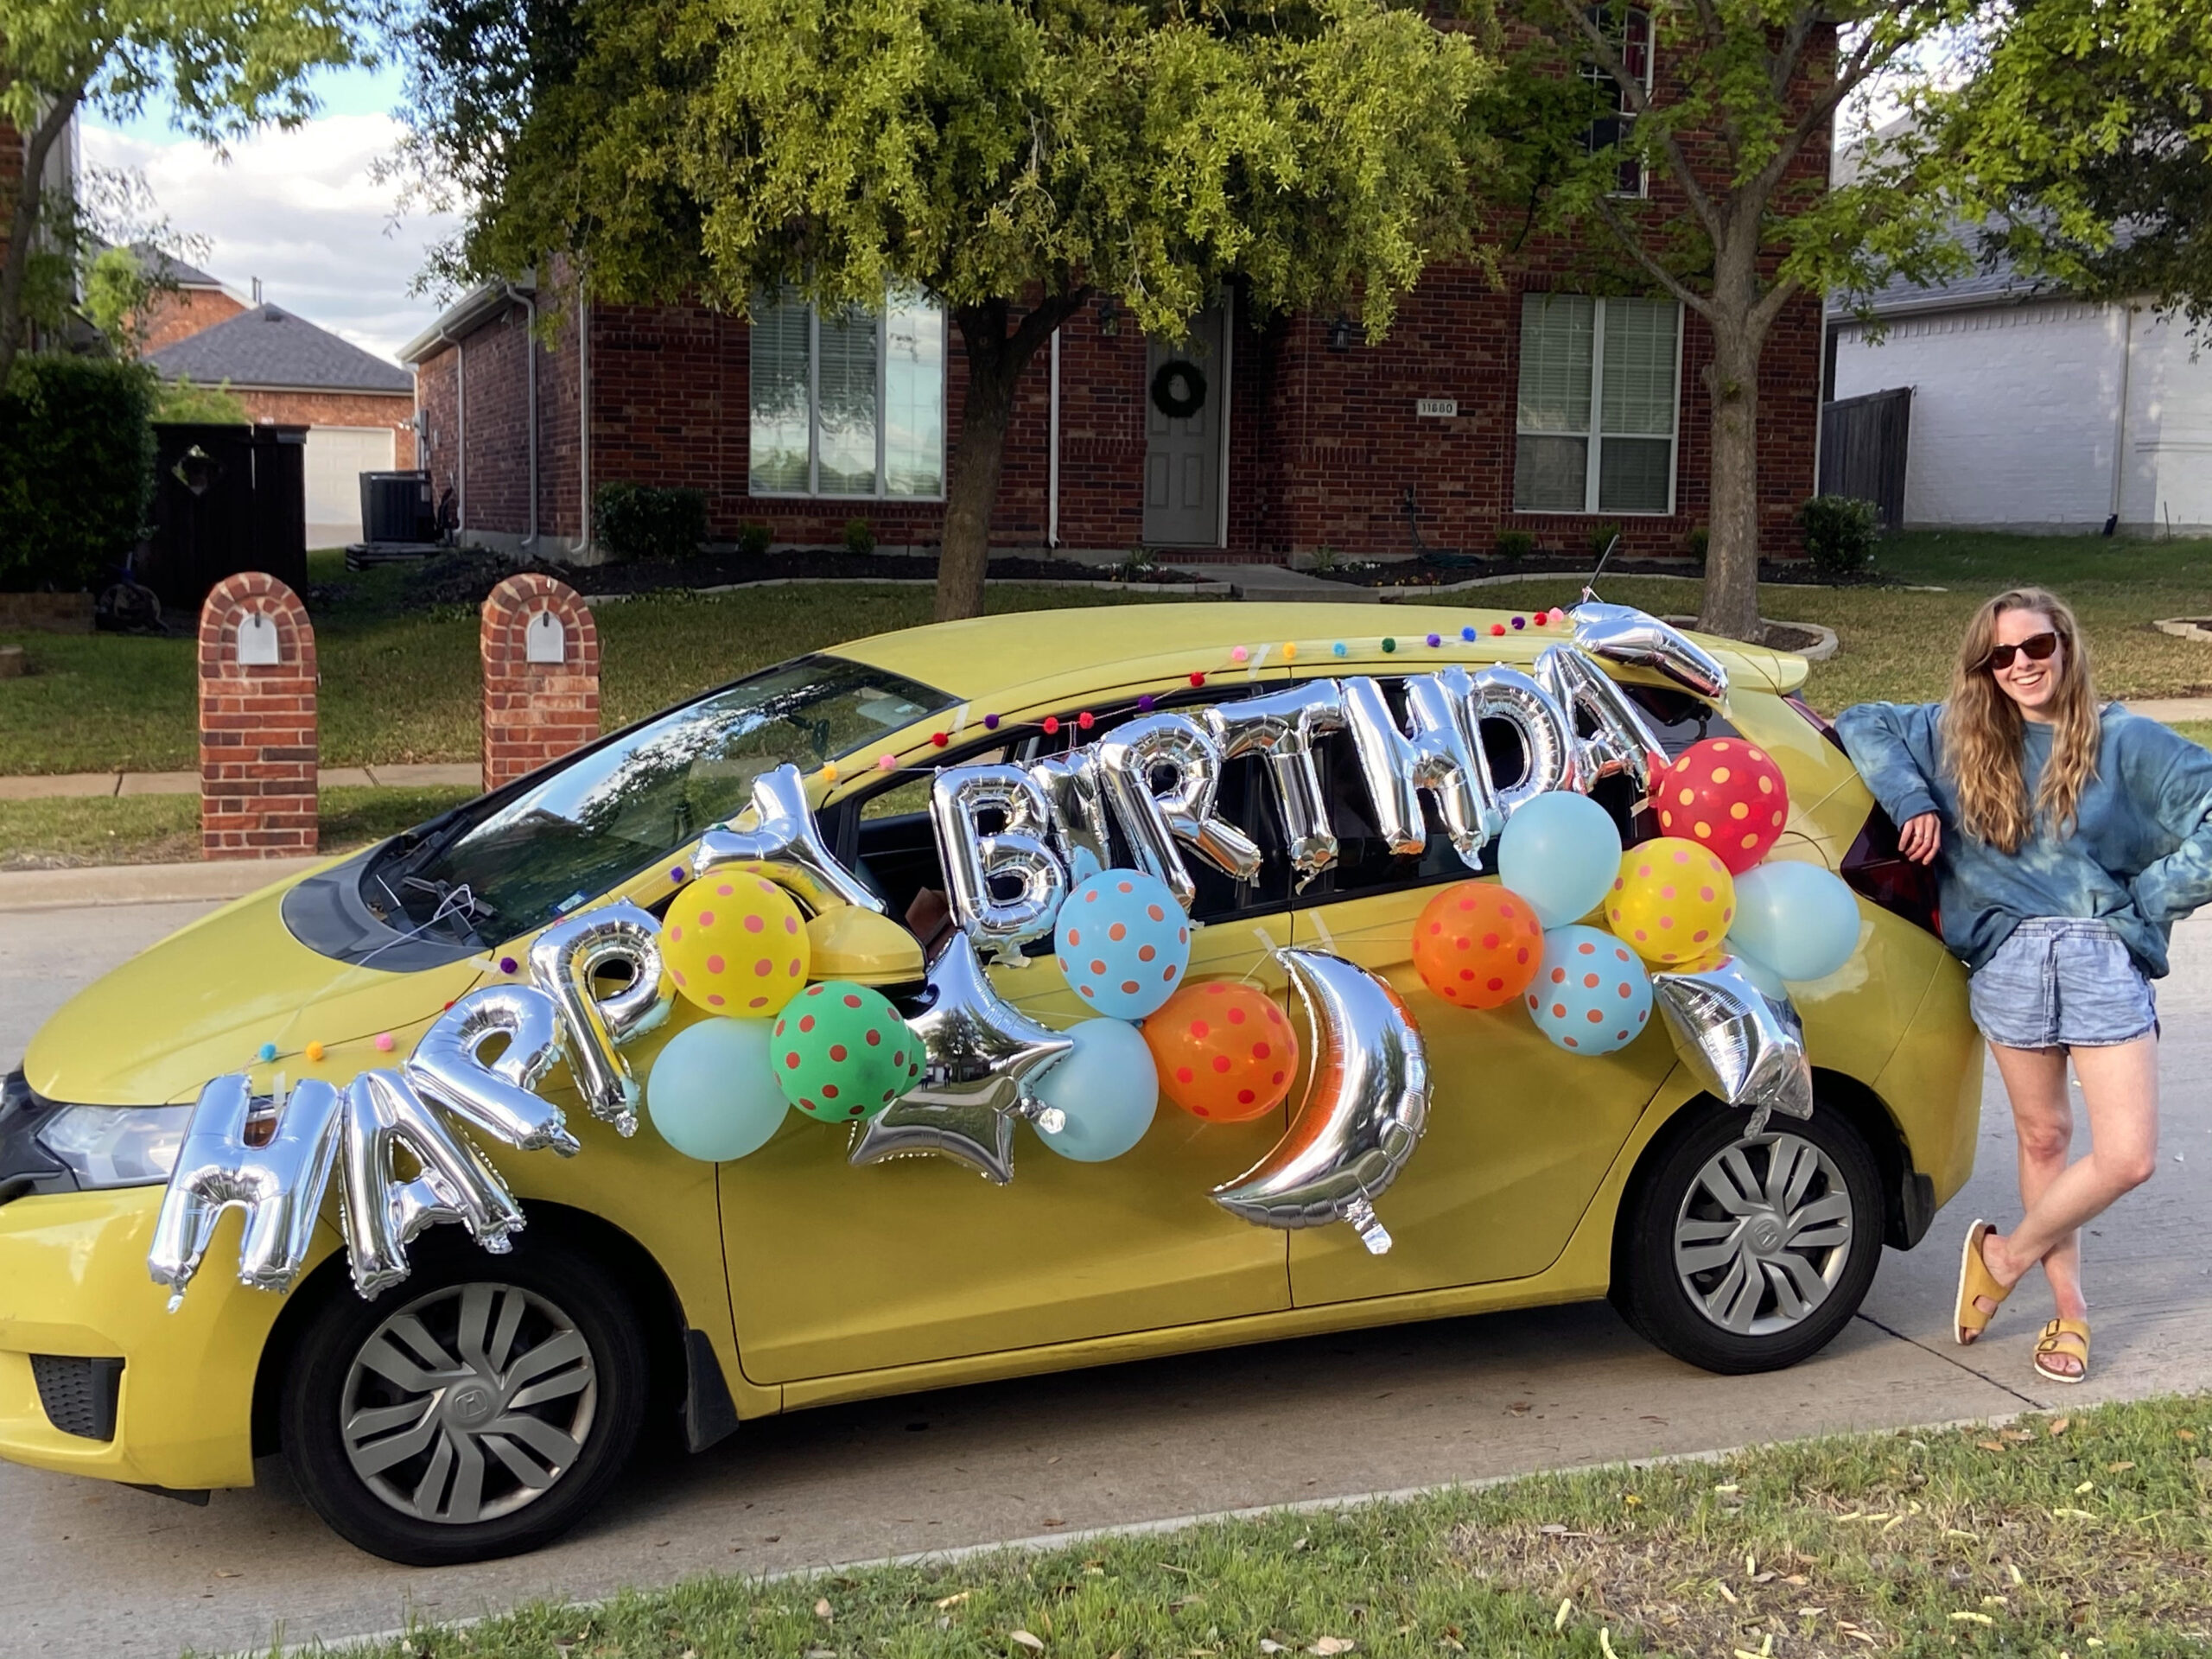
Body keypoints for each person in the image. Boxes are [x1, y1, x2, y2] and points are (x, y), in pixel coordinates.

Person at [1836, 588, 2212, 1384]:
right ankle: (2069, 1316)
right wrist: (1913, 801)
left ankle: (2002, 1256)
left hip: (2100, 953)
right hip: (2007, 959)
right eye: (1999, 656)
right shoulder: (1959, 735)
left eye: (2034, 648)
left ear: (2065, 647)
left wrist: (2146, 901)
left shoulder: (2124, 740)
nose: (2019, 667)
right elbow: (1862, 719)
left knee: (2130, 1156)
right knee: (2044, 1139)